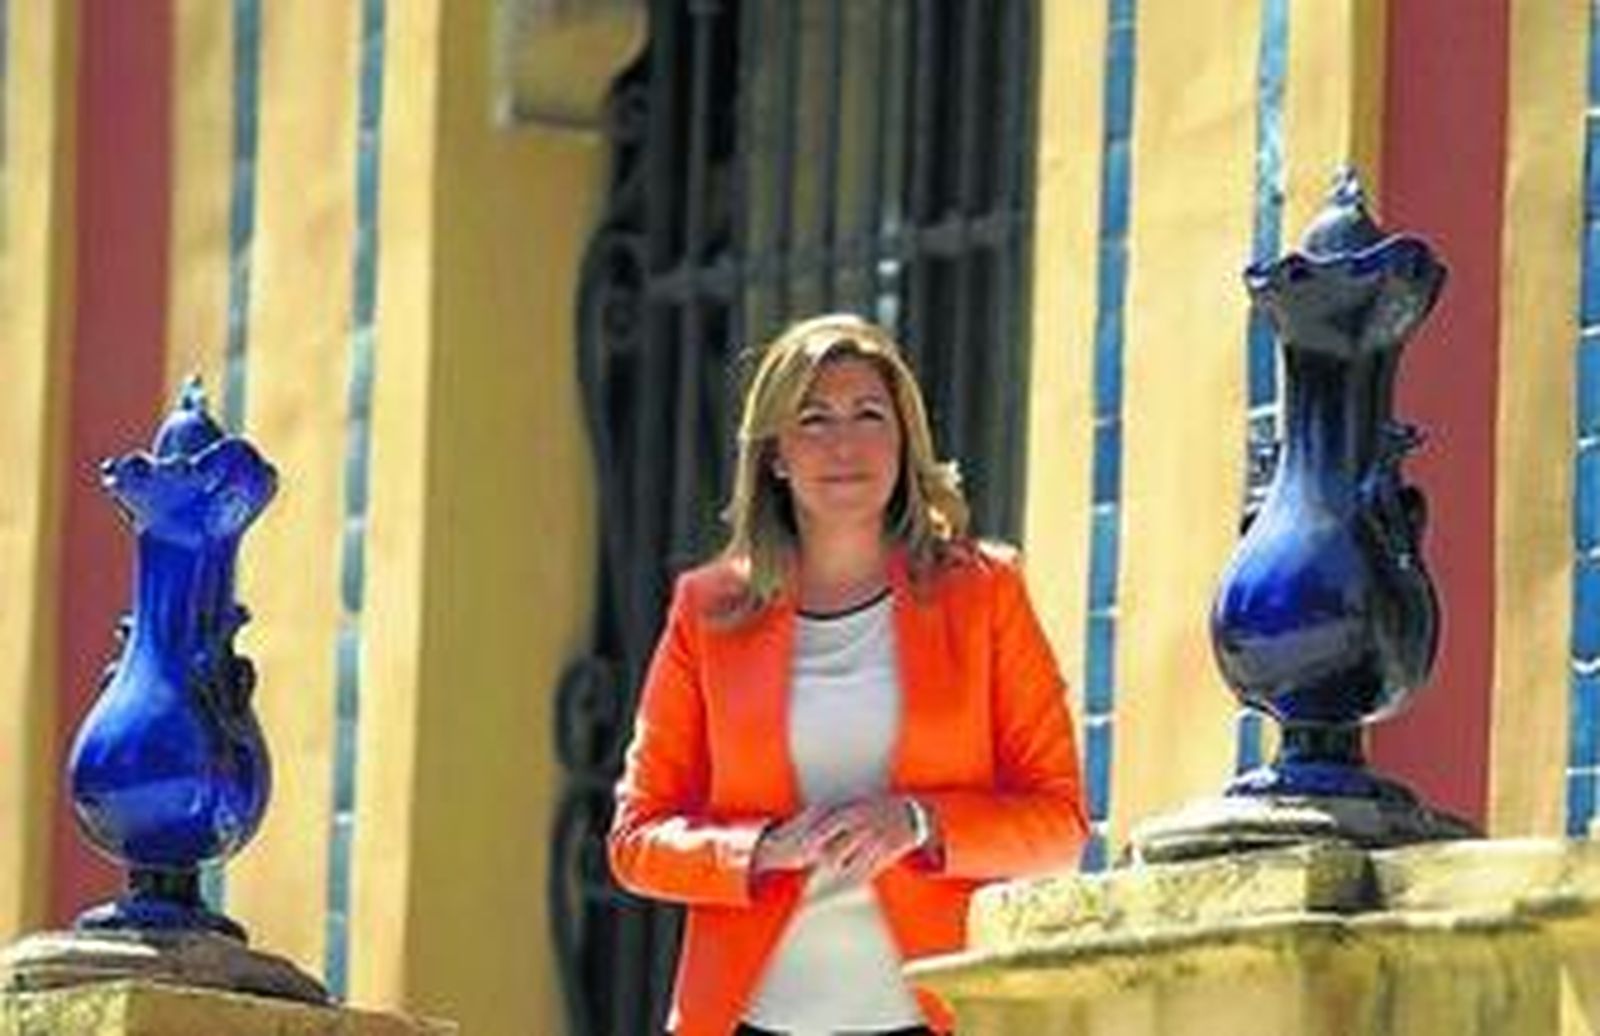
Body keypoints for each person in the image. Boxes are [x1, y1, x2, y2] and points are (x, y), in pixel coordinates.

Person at [608, 313, 1089, 1036]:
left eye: (869, 415)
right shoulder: (706, 611)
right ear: (774, 454)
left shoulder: (985, 591)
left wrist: (919, 822)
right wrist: (764, 847)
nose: (845, 444)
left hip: (940, 1016)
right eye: (814, 418)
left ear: (903, 443)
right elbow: (636, 839)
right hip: (746, 1021)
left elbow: (1059, 825)